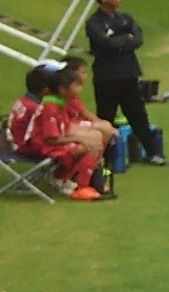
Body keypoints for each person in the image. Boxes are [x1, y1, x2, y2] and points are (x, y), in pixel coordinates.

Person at [83, 0, 164, 165]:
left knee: (138, 114)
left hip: (129, 72)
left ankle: (152, 153)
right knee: (106, 116)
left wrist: (121, 40)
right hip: (107, 76)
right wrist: (124, 39)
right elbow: (106, 44)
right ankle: (105, 157)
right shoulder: (94, 22)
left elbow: (138, 39)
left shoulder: (125, 17)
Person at [26, 64, 110, 199]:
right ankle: (70, 181)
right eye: (76, 86)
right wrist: (81, 139)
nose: (79, 89)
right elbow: (51, 139)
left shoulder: (59, 102)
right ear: (62, 89)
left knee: (94, 141)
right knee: (90, 146)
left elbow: (63, 130)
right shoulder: (50, 108)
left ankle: (78, 181)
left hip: (51, 143)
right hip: (41, 146)